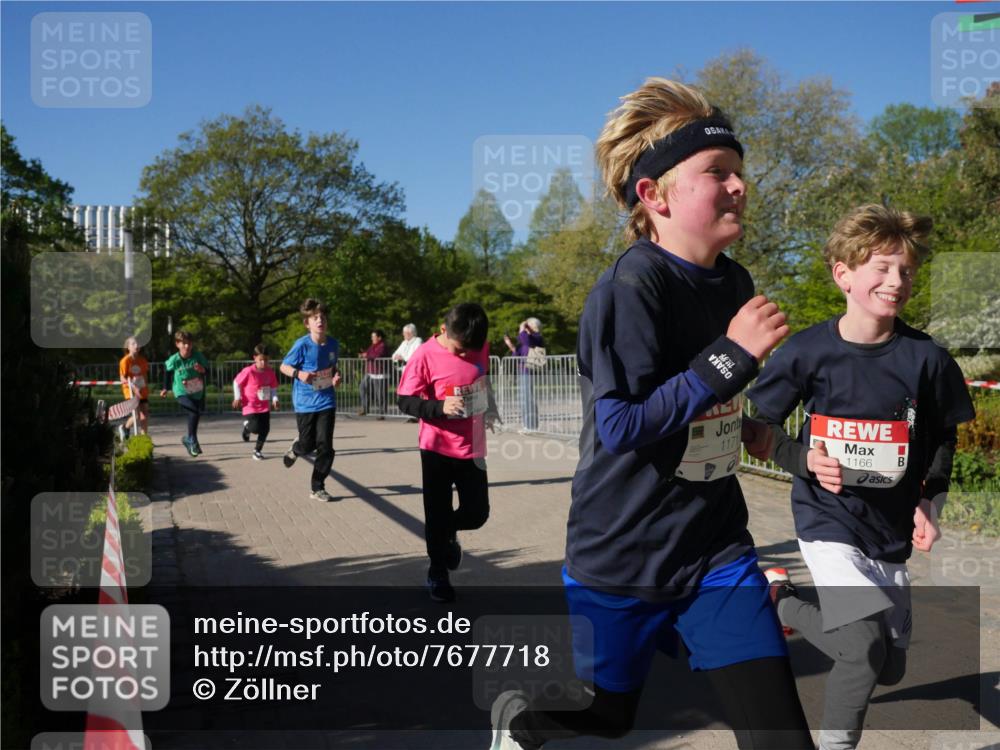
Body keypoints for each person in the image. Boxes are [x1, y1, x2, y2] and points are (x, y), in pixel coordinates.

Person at [489, 77, 812, 750]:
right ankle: (521, 723)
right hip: (623, 556)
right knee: (611, 717)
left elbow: (715, 402)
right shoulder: (629, 288)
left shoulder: (736, 281)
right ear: (654, 194)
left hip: (716, 551)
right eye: (716, 173)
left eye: (739, 173)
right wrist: (729, 358)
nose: (738, 186)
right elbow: (623, 425)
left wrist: (755, 431)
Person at [744, 204, 975, 750]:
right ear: (843, 273)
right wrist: (803, 459)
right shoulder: (808, 351)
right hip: (827, 522)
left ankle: (781, 599)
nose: (897, 281)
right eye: (882, 267)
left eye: (907, 270)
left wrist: (930, 501)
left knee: (887, 666)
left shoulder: (927, 359)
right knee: (863, 647)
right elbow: (757, 428)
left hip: (890, 531)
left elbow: (944, 437)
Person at [397, 303, 499, 603]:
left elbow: (483, 379)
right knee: (436, 512)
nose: (467, 354)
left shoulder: (477, 343)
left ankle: (448, 530)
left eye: (472, 350)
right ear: (444, 331)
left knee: (478, 513)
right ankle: (437, 572)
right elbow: (405, 401)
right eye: (460, 350)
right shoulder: (425, 355)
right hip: (437, 447)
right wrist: (439, 408)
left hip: (473, 446)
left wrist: (490, 408)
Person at [279, 298, 341, 502]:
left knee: (326, 446)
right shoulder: (302, 345)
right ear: (308, 323)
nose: (320, 320)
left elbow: (333, 368)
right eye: (315, 318)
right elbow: (283, 367)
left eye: (323, 317)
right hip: (305, 403)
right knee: (308, 444)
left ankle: (317, 486)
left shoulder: (333, 344)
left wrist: (336, 377)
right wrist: (299, 374)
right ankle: (297, 448)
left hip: (326, 401)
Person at [160, 330, 209, 457]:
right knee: (194, 410)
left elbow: (207, 371)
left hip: (196, 391)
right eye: (184, 343)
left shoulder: (197, 356)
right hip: (181, 391)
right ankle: (192, 439)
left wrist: (202, 370)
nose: (187, 346)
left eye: (189, 344)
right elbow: (167, 372)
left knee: (194, 414)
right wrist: (165, 388)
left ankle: (190, 439)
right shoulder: (174, 359)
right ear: (177, 344)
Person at [232, 343, 281, 461]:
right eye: (260, 360)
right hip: (250, 406)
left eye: (266, 360)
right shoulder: (249, 371)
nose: (263, 363)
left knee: (265, 429)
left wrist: (275, 399)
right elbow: (236, 383)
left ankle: (257, 451)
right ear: (255, 358)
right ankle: (247, 428)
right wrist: (237, 397)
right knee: (255, 428)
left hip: (264, 405)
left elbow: (273, 387)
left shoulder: (270, 372)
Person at [504, 318, 544, 432]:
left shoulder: (536, 338)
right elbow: (517, 354)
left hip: (529, 372)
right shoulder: (527, 340)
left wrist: (523, 328)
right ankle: (529, 425)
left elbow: (525, 339)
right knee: (524, 399)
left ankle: (531, 426)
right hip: (523, 372)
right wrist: (510, 345)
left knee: (528, 399)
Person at [118, 335, 150, 439]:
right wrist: (132, 385)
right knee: (136, 415)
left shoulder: (142, 360)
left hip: (142, 391)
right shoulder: (125, 361)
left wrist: (144, 387)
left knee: (144, 415)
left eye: (138, 344)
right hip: (130, 391)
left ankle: (144, 438)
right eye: (133, 344)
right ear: (128, 347)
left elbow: (144, 375)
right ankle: (125, 427)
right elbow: (122, 378)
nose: (136, 346)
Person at [358, 329, 389, 418]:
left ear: (379, 337)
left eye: (373, 337)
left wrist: (366, 355)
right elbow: (368, 353)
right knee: (362, 387)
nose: (372, 338)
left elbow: (377, 355)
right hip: (370, 372)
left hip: (380, 373)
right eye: (372, 337)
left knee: (380, 394)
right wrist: (363, 354)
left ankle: (381, 413)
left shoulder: (382, 346)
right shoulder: (373, 346)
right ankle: (365, 408)